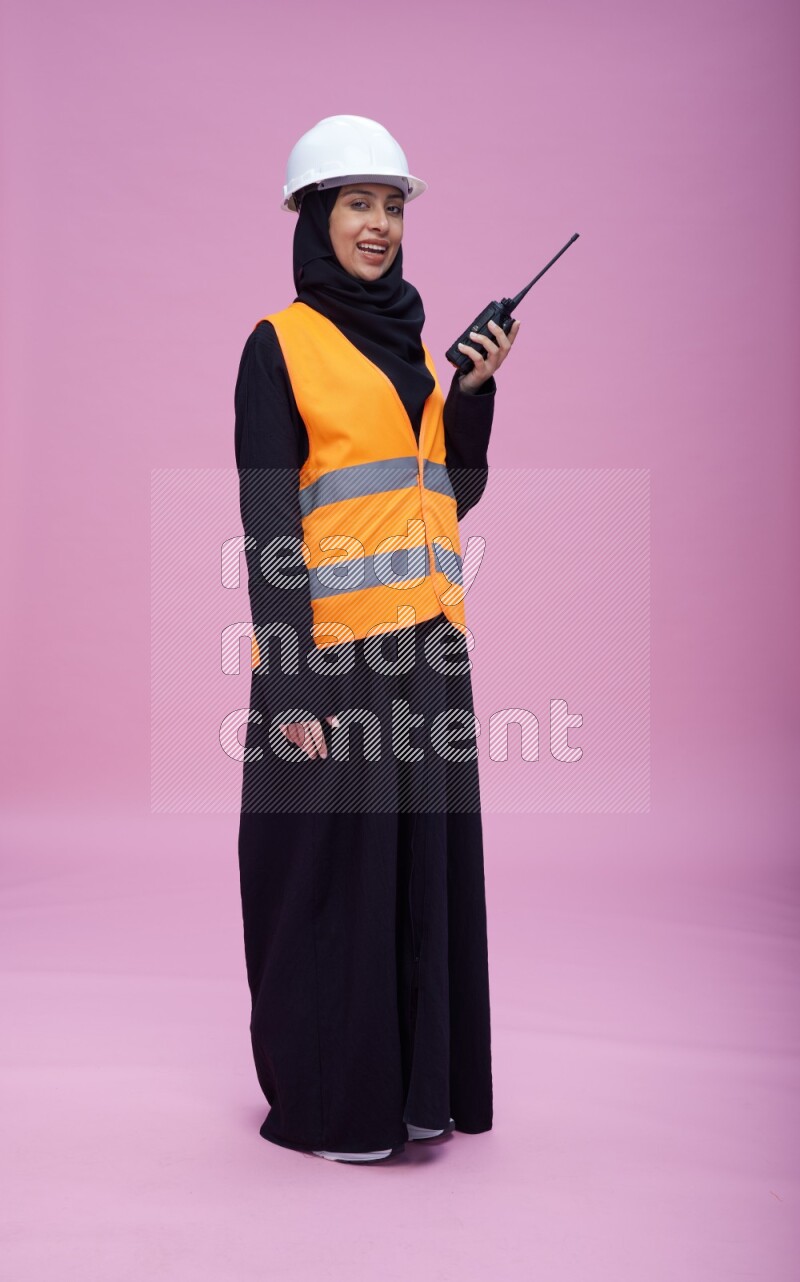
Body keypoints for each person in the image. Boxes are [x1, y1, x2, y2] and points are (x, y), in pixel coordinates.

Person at [234, 115, 519, 1163]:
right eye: (358, 203)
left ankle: (413, 1097)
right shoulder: (279, 346)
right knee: (330, 885)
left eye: (392, 207)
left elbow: (449, 495)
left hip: (430, 656)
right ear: (315, 217)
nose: (379, 225)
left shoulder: (415, 350)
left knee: (416, 880)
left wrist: (472, 394)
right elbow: (271, 526)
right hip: (337, 662)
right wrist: (292, 686)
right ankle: (335, 1106)